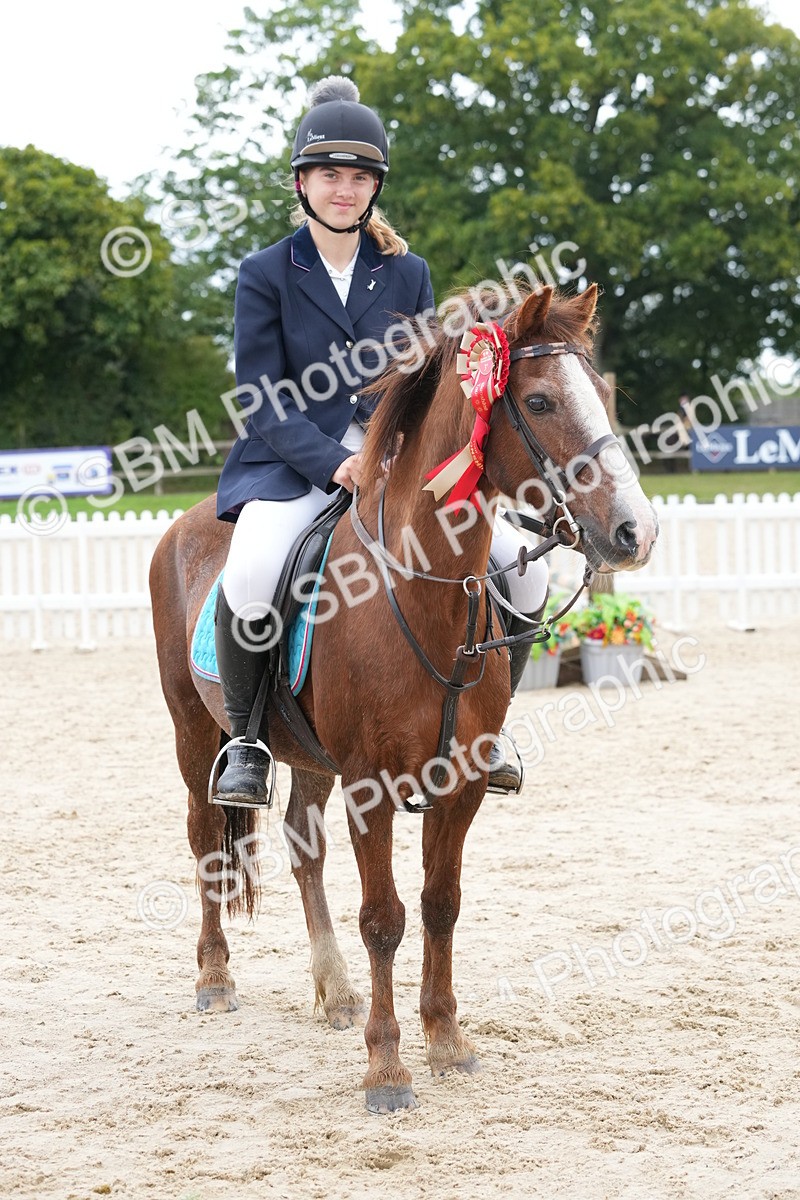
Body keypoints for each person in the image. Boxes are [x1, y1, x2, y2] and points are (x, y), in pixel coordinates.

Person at [213, 76, 547, 806]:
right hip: (293, 464)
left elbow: (424, 383)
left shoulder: (408, 272)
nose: (344, 188)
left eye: (359, 176)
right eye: (330, 174)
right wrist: (338, 461)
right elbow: (260, 397)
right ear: (302, 183)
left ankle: (489, 728)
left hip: (400, 464)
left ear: (375, 187)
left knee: (526, 574)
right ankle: (245, 741)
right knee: (252, 573)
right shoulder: (265, 273)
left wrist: (407, 453)